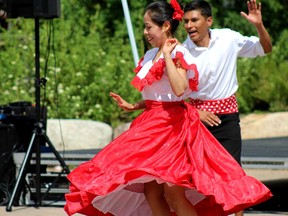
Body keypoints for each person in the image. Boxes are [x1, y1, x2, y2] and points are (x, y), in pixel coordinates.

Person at [64, 1, 271, 215]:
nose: (145, 32)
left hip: (172, 128)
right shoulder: (149, 55)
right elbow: (159, 97)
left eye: (148, 26)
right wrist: (134, 105)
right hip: (151, 125)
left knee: (179, 192)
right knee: (151, 193)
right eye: (144, 26)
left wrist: (167, 56)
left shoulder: (179, 52)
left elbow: (180, 90)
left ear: (164, 26)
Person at [182, 1, 272, 215]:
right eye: (186, 21)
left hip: (227, 118)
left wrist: (259, 25)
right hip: (196, 119)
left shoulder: (228, 38)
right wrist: (196, 112)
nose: (189, 25)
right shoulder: (181, 51)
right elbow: (172, 93)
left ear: (208, 21)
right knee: (199, 178)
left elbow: (265, 48)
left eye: (194, 20)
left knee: (233, 174)